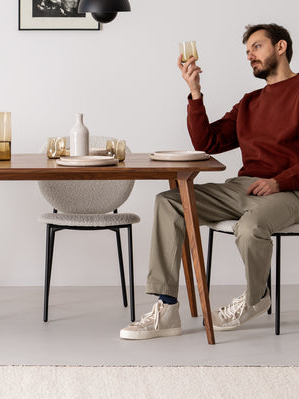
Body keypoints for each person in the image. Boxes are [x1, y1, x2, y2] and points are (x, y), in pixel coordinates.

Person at [120, 23, 299, 339]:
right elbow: (208, 142)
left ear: (281, 47)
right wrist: (195, 91)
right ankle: (167, 309)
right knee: (170, 203)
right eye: (247, 51)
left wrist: (279, 182)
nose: (250, 55)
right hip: (243, 188)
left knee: (250, 227)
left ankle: (256, 297)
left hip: (289, 191)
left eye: (257, 47)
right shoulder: (250, 102)